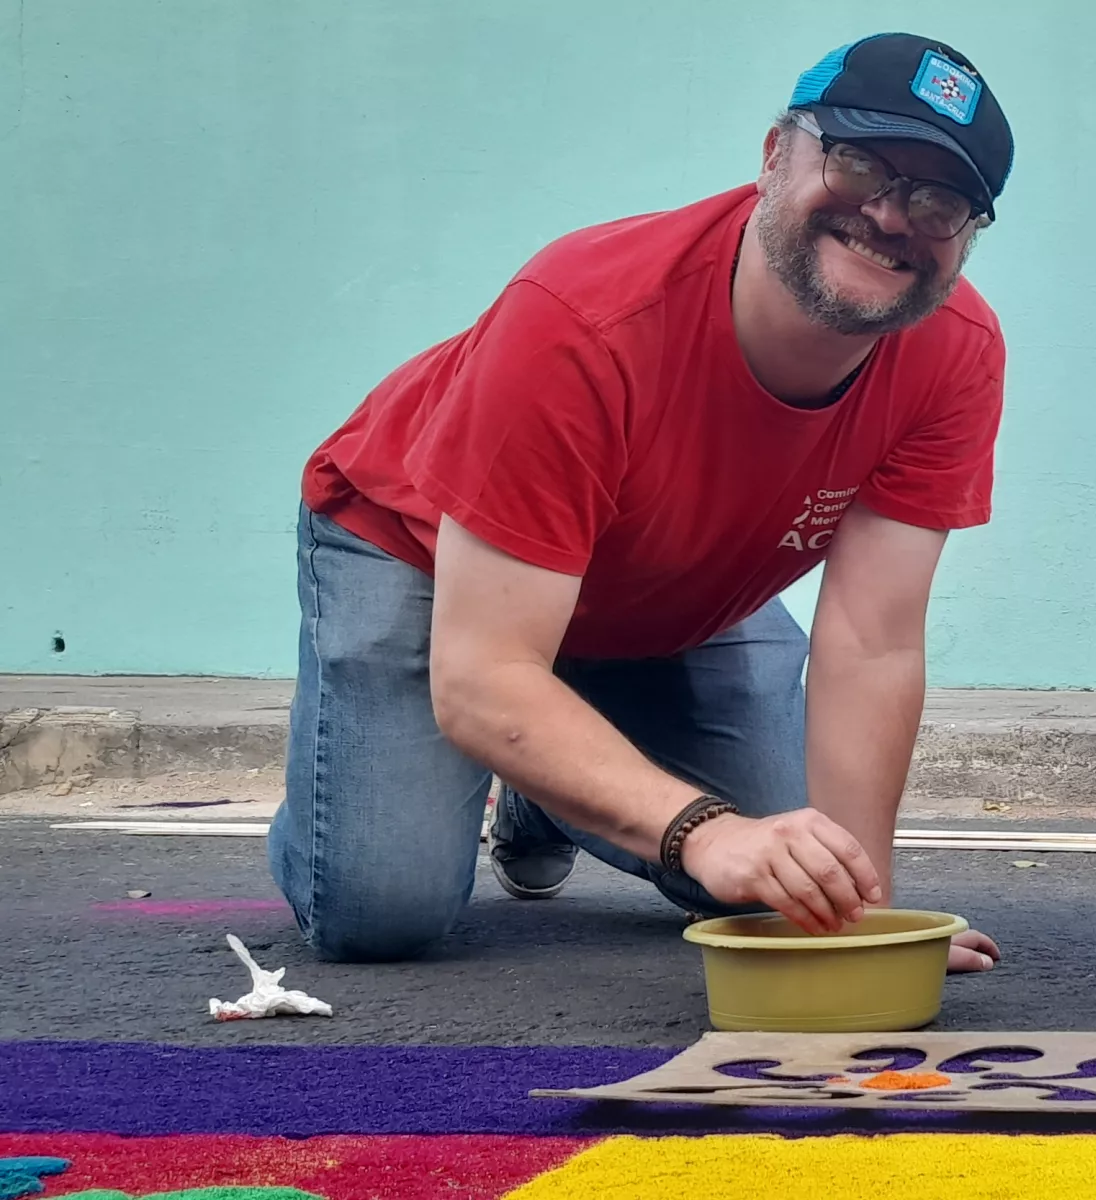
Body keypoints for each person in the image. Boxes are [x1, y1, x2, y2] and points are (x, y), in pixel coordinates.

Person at [281, 33, 1018, 966]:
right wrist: (704, 832)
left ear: (967, 235)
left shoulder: (956, 350)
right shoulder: (581, 318)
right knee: (381, 911)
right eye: (859, 162)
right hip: (425, 552)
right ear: (771, 157)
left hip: (672, 590)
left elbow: (870, 646)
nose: (889, 214)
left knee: (783, 874)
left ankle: (550, 782)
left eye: (938, 198)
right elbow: (484, 674)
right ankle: (504, 765)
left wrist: (855, 921)